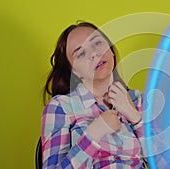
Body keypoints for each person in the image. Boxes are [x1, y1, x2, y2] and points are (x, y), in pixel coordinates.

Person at [41, 21, 147, 169]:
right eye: (81, 53)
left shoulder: (137, 100)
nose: (94, 54)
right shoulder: (61, 107)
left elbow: (167, 163)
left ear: (111, 50)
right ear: (74, 71)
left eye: (97, 43)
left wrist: (135, 117)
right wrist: (93, 134)